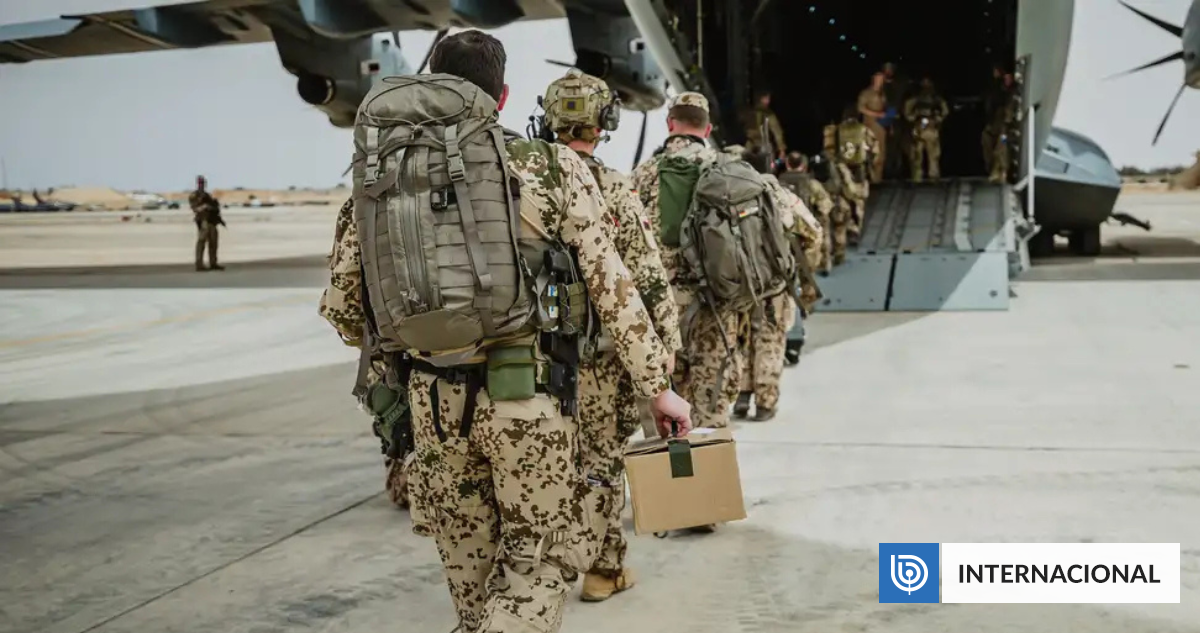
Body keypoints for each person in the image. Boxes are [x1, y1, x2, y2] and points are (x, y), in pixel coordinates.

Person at [319, 31, 692, 633]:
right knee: (535, 569)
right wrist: (659, 387)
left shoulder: (380, 174)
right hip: (528, 399)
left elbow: (343, 308)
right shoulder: (551, 167)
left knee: (470, 584)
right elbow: (615, 289)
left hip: (432, 406)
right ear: (503, 96)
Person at [540, 68, 682, 602]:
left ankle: (544, 567)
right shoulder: (615, 187)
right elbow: (646, 275)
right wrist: (664, 350)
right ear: (605, 123)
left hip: (533, 357)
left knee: (545, 462)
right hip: (598, 360)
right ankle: (603, 569)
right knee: (600, 463)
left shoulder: (524, 180)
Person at [904, 76, 951, 182]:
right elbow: (907, 112)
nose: (926, 87)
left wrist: (937, 119)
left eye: (928, 84)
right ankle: (917, 178)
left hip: (932, 130)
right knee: (917, 156)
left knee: (933, 155)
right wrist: (914, 117)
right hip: (918, 131)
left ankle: (933, 177)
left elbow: (945, 111)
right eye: (924, 84)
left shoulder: (937, 99)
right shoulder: (914, 99)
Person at [881, 62, 912, 178]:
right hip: (884, 119)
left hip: (900, 119)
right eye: (886, 69)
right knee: (888, 146)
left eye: (890, 69)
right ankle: (889, 171)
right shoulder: (881, 85)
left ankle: (900, 170)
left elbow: (901, 100)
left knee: (901, 145)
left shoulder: (899, 84)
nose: (888, 71)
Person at [857, 72, 889, 183]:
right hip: (870, 126)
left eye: (882, 79)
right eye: (878, 78)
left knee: (881, 153)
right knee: (870, 153)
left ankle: (878, 179)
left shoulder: (883, 93)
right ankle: (868, 179)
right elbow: (860, 108)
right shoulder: (866, 93)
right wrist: (876, 114)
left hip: (881, 127)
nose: (880, 81)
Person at [989, 73, 1020, 183]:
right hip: (1002, 129)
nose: (1006, 80)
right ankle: (999, 171)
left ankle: (1002, 172)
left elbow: (1009, 113)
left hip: (1007, 131)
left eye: (1008, 78)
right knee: (999, 147)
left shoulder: (1013, 94)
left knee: (1002, 146)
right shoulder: (1004, 93)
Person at [740, 89, 787, 163]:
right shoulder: (768, 114)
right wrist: (782, 150)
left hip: (750, 146)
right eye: (766, 98)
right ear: (761, 99)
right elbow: (777, 132)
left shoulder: (746, 112)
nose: (768, 101)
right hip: (763, 146)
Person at [188, 175, 224, 271]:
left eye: (203, 183)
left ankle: (213, 262)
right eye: (200, 183)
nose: (202, 185)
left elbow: (214, 207)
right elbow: (195, 209)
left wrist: (213, 207)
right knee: (201, 242)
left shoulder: (207, 195)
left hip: (211, 220)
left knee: (213, 242)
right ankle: (199, 264)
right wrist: (204, 206)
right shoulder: (194, 195)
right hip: (203, 220)